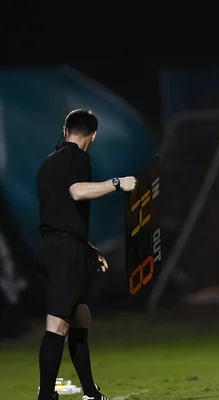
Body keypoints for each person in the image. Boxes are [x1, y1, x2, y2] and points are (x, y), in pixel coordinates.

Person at [35, 109, 137, 400]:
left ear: (64, 129)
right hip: (64, 251)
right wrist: (117, 184)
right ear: (93, 135)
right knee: (57, 324)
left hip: (52, 245)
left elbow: (59, 213)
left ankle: (91, 393)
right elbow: (77, 192)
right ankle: (46, 397)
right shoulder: (78, 158)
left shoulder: (47, 163)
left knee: (81, 316)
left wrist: (86, 247)